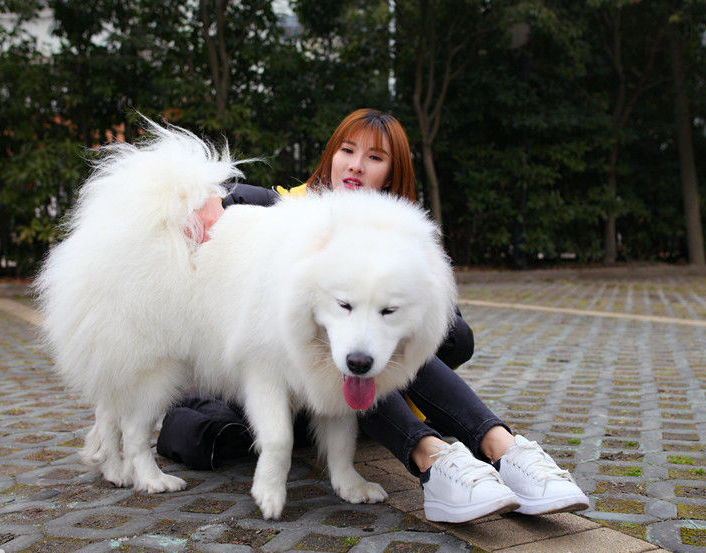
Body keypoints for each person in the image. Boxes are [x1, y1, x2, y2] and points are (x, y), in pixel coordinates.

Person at [156, 108, 589, 523]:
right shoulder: (280, 208)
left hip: (351, 401)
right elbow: (217, 202)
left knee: (413, 340)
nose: (357, 166)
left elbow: (452, 333)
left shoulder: (400, 239)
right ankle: (435, 457)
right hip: (266, 388)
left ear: (392, 174)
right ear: (330, 156)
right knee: (357, 352)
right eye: (347, 150)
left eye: (375, 157)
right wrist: (207, 202)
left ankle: (504, 450)